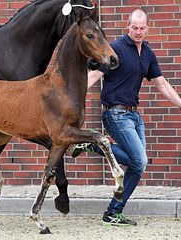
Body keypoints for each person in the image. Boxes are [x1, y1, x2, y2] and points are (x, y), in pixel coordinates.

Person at [71, 8, 181, 226]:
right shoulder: (117, 48)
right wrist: (72, 98)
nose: (138, 32)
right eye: (134, 28)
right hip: (115, 113)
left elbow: (162, 84)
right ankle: (94, 145)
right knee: (140, 160)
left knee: (138, 166)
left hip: (134, 116)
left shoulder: (147, 53)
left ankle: (113, 212)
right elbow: (94, 75)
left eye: (142, 28)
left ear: (147, 28)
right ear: (127, 27)